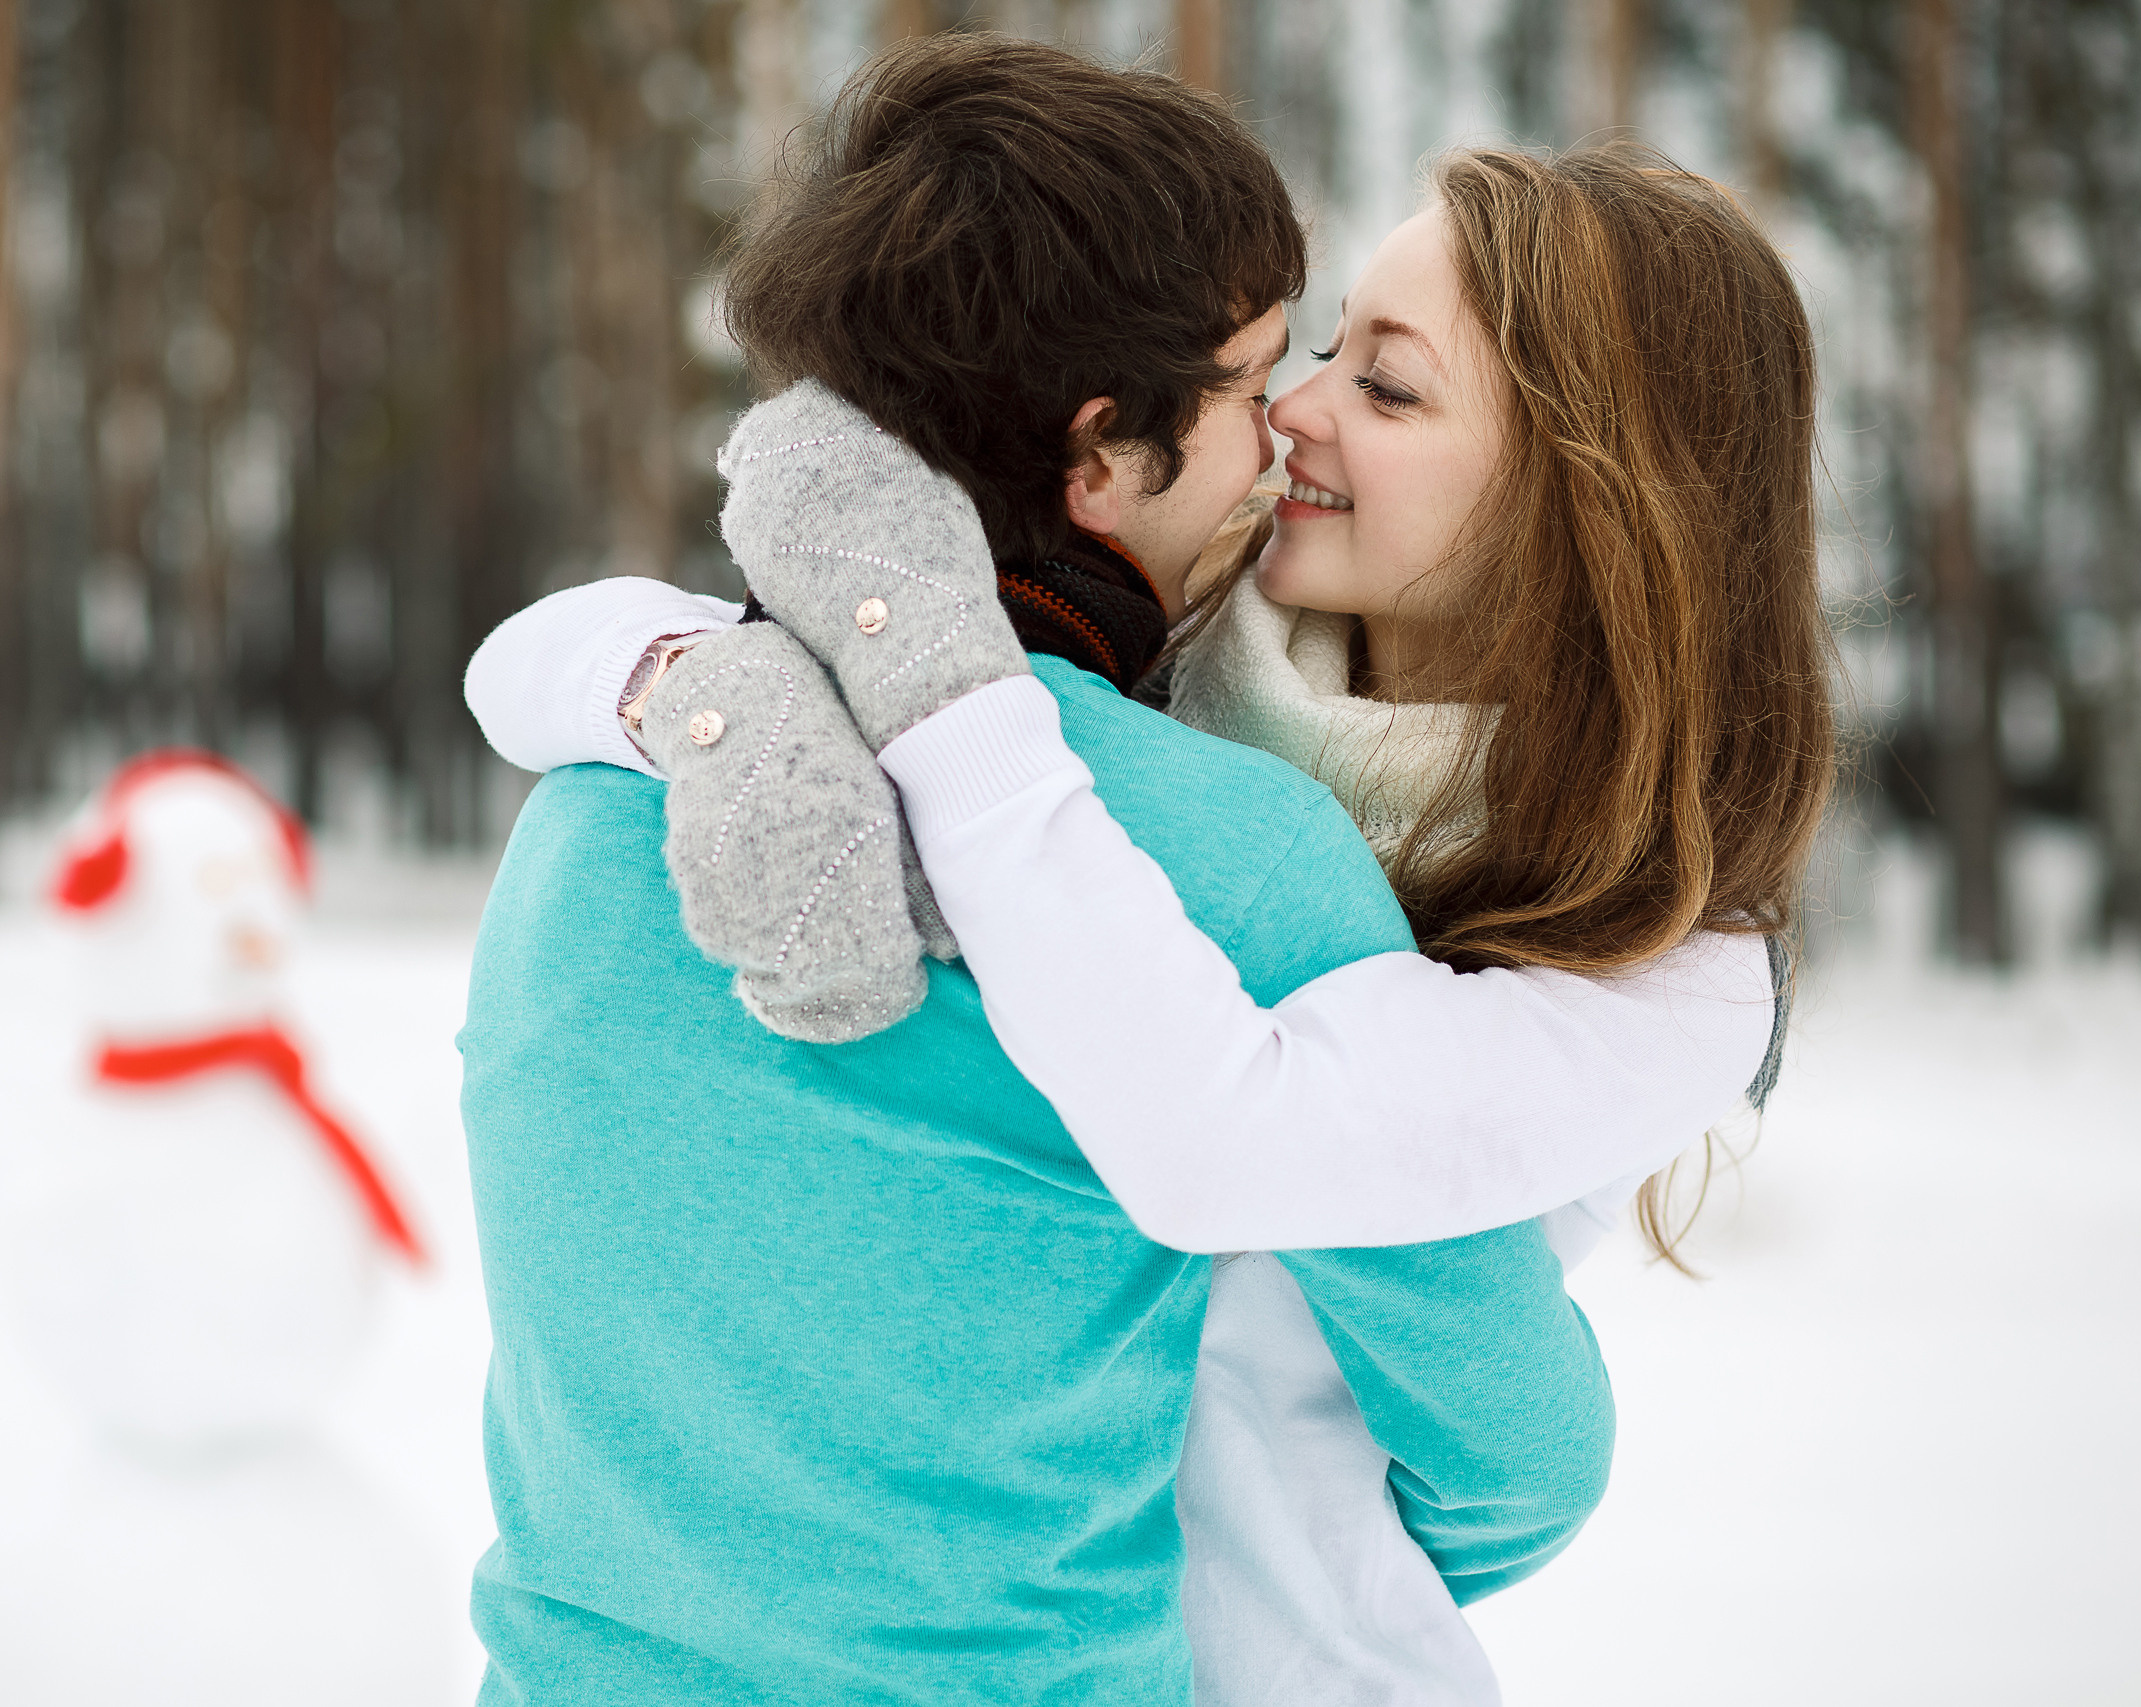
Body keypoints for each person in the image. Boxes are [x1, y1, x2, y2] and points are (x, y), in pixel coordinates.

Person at [469, 121, 1824, 1707]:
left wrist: (1304, 1558)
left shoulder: (1666, 965)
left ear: (1597, 501)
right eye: (1306, 358)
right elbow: (570, 655)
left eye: (1387, 388)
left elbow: (1502, 1437)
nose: (1299, 412)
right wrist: (686, 680)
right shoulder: (1172, 709)